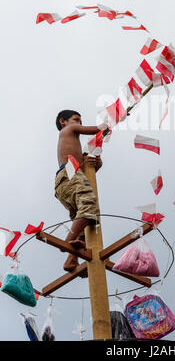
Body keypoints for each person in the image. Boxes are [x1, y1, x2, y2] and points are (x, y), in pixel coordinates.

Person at [55, 109, 103, 274]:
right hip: (68, 173)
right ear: (64, 121)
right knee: (89, 205)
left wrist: (97, 162)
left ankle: (71, 259)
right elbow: (95, 129)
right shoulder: (67, 130)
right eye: (76, 120)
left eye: (81, 122)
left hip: (69, 180)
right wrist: (108, 124)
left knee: (83, 221)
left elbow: (88, 175)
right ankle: (69, 241)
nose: (79, 124)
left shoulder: (75, 150)